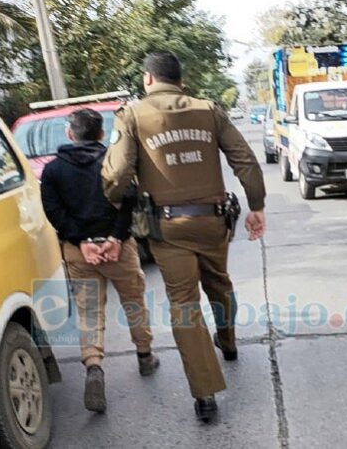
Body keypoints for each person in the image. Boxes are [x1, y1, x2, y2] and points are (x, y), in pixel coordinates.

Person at [102, 51, 266, 422]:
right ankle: (228, 341)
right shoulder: (209, 110)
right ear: (181, 79)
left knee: (184, 304)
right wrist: (256, 205)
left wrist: (115, 199)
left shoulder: (132, 116)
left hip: (168, 228)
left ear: (147, 79)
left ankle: (205, 394)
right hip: (214, 221)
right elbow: (245, 160)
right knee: (220, 283)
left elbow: (116, 175)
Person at [40, 108, 159, 414]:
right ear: (101, 135)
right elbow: (130, 200)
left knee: (89, 311)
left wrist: (81, 242)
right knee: (134, 302)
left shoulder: (53, 171)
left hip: (80, 253)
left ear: (70, 134)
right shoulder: (113, 162)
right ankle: (145, 356)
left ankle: (94, 365)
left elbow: (54, 212)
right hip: (118, 248)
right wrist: (115, 239)